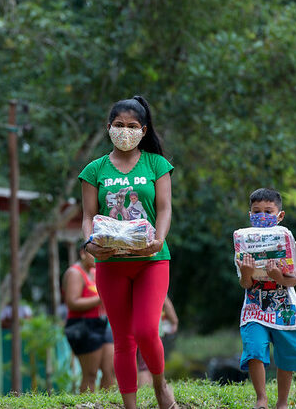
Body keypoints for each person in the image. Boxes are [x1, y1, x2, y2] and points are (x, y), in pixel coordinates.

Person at [80, 95, 177, 409]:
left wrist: (160, 238)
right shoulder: (94, 169)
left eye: (132, 126)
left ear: (144, 129)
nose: (125, 131)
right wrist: (90, 244)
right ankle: (130, 406)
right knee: (123, 340)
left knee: (147, 330)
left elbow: (164, 209)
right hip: (110, 263)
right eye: (119, 125)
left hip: (152, 260)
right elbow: (87, 217)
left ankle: (161, 386)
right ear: (108, 127)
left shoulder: (156, 164)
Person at [236, 188, 296, 409]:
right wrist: (246, 272)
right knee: (254, 349)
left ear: (280, 215)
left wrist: (278, 276)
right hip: (254, 307)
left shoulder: (287, 239)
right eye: (257, 211)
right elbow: (245, 284)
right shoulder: (243, 242)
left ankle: (282, 402)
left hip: (285, 307)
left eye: (268, 211)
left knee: (286, 356)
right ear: (249, 215)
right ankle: (261, 399)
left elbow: (292, 280)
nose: (262, 215)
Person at [63, 248, 116, 392]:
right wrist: (101, 298)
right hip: (82, 326)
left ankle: (107, 405)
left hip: (101, 323)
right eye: (93, 254)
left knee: (110, 370)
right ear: (82, 253)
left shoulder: (94, 271)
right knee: (91, 374)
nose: (97, 258)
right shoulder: (75, 273)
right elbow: (72, 302)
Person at [137, 295, 179, 387]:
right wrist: (174, 321)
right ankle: (144, 395)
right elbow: (166, 302)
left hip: (138, 327)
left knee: (145, 365)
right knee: (147, 367)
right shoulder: (153, 282)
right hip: (153, 329)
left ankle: (146, 394)